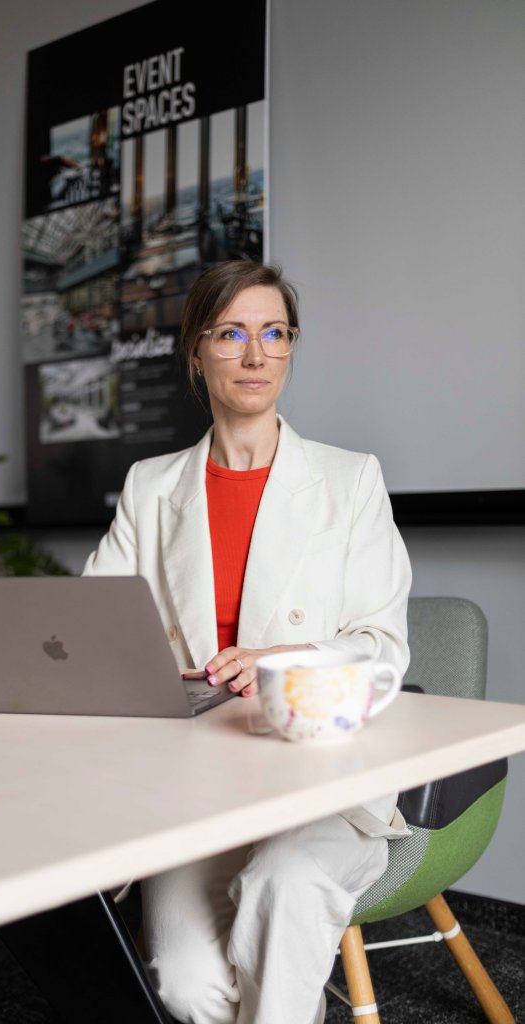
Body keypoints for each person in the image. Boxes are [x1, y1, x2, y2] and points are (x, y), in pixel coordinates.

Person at [83, 260, 412, 1024]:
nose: (256, 355)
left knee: (283, 885)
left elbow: (383, 646)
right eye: (230, 334)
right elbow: (95, 628)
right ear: (195, 353)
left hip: (321, 776)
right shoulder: (150, 486)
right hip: (196, 787)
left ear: (291, 347)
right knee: (184, 986)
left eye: (274, 333)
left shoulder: (348, 479)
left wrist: (280, 660)